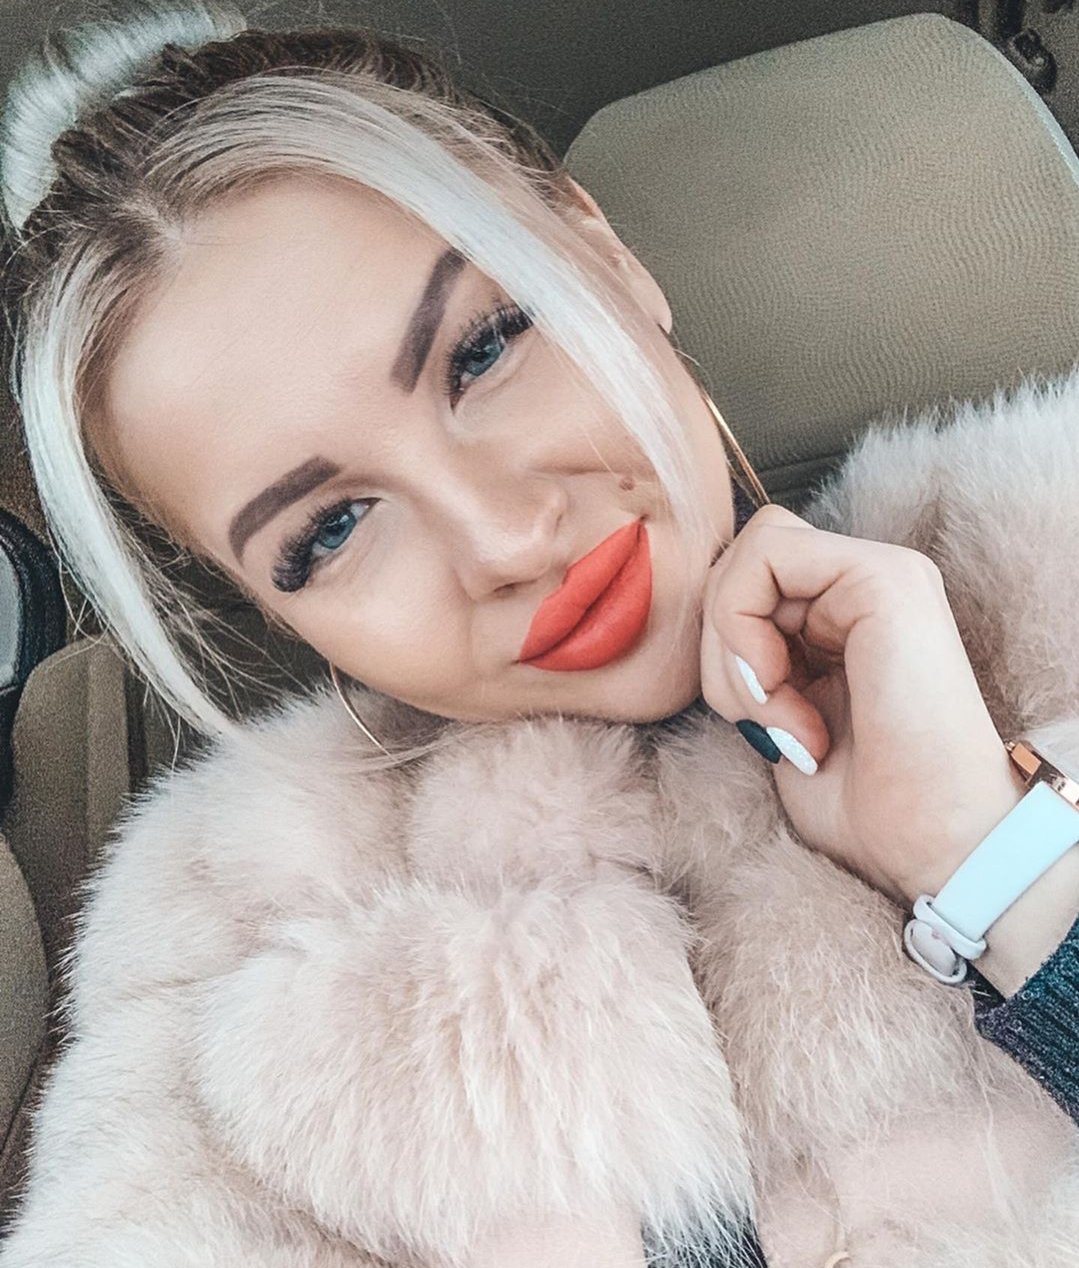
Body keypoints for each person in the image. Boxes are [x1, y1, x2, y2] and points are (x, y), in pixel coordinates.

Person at [1, 3, 1078, 1265]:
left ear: (603, 254)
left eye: (484, 348)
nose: (504, 536)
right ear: (270, 603)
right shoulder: (234, 934)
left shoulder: (1049, 551)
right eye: (329, 529)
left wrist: (989, 854)